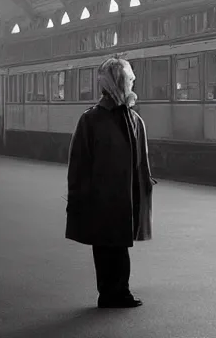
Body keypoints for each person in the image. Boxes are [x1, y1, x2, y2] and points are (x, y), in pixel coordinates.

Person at [65, 56, 157, 309]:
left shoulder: (130, 118)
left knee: (117, 245)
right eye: (127, 79)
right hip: (103, 195)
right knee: (108, 245)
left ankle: (117, 291)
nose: (131, 83)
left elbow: (139, 159)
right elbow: (79, 162)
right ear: (115, 83)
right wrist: (78, 196)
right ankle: (111, 293)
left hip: (122, 195)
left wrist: (143, 186)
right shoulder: (93, 119)